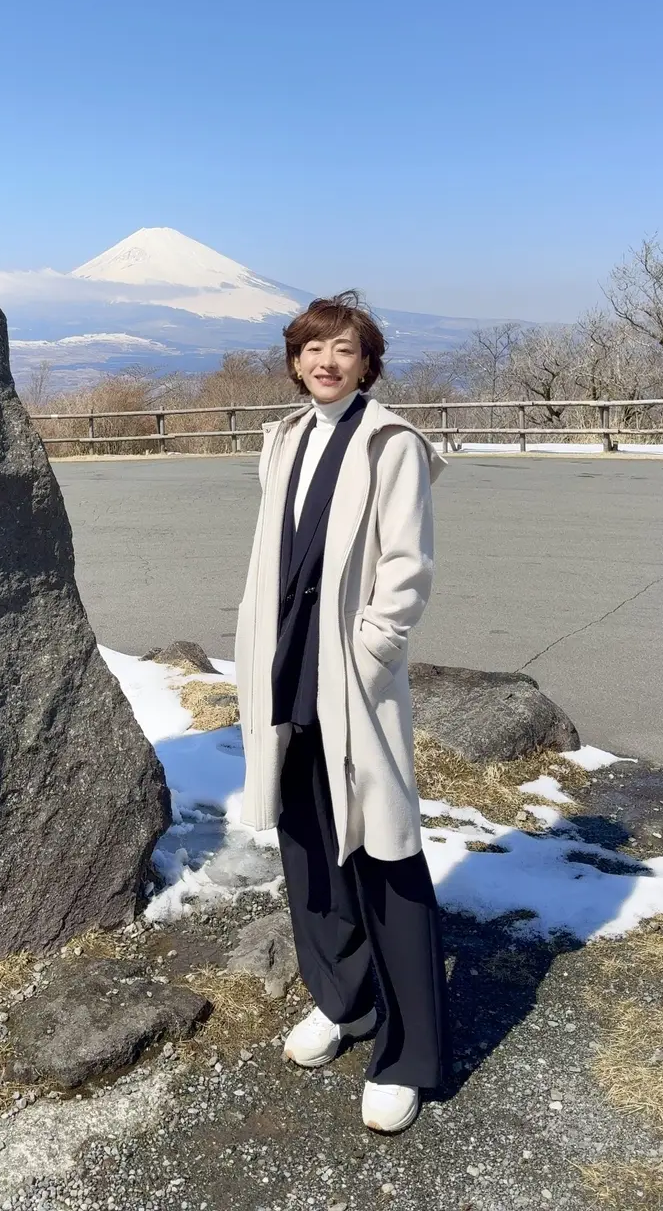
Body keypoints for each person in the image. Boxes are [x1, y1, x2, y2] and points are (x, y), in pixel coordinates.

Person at [234, 291, 451, 1133]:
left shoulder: (390, 443)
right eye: (314, 348)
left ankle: (408, 1054)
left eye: (345, 350)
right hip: (286, 665)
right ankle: (344, 999)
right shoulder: (283, 438)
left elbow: (407, 568)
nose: (327, 362)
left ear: (368, 364)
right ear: (295, 361)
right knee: (309, 844)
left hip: (350, 678)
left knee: (384, 853)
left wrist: (368, 654)